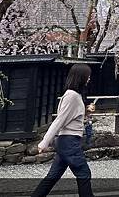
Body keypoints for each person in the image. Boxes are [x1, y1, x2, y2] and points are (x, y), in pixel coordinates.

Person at [32, 64, 96, 197]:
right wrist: (44, 142)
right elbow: (59, 121)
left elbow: (71, 118)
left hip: (66, 141)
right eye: (87, 76)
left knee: (53, 176)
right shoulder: (72, 96)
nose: (89, 78)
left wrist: (86, 111)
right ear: (80, 77)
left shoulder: (74, 95)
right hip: (69, 142)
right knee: (84, 173)